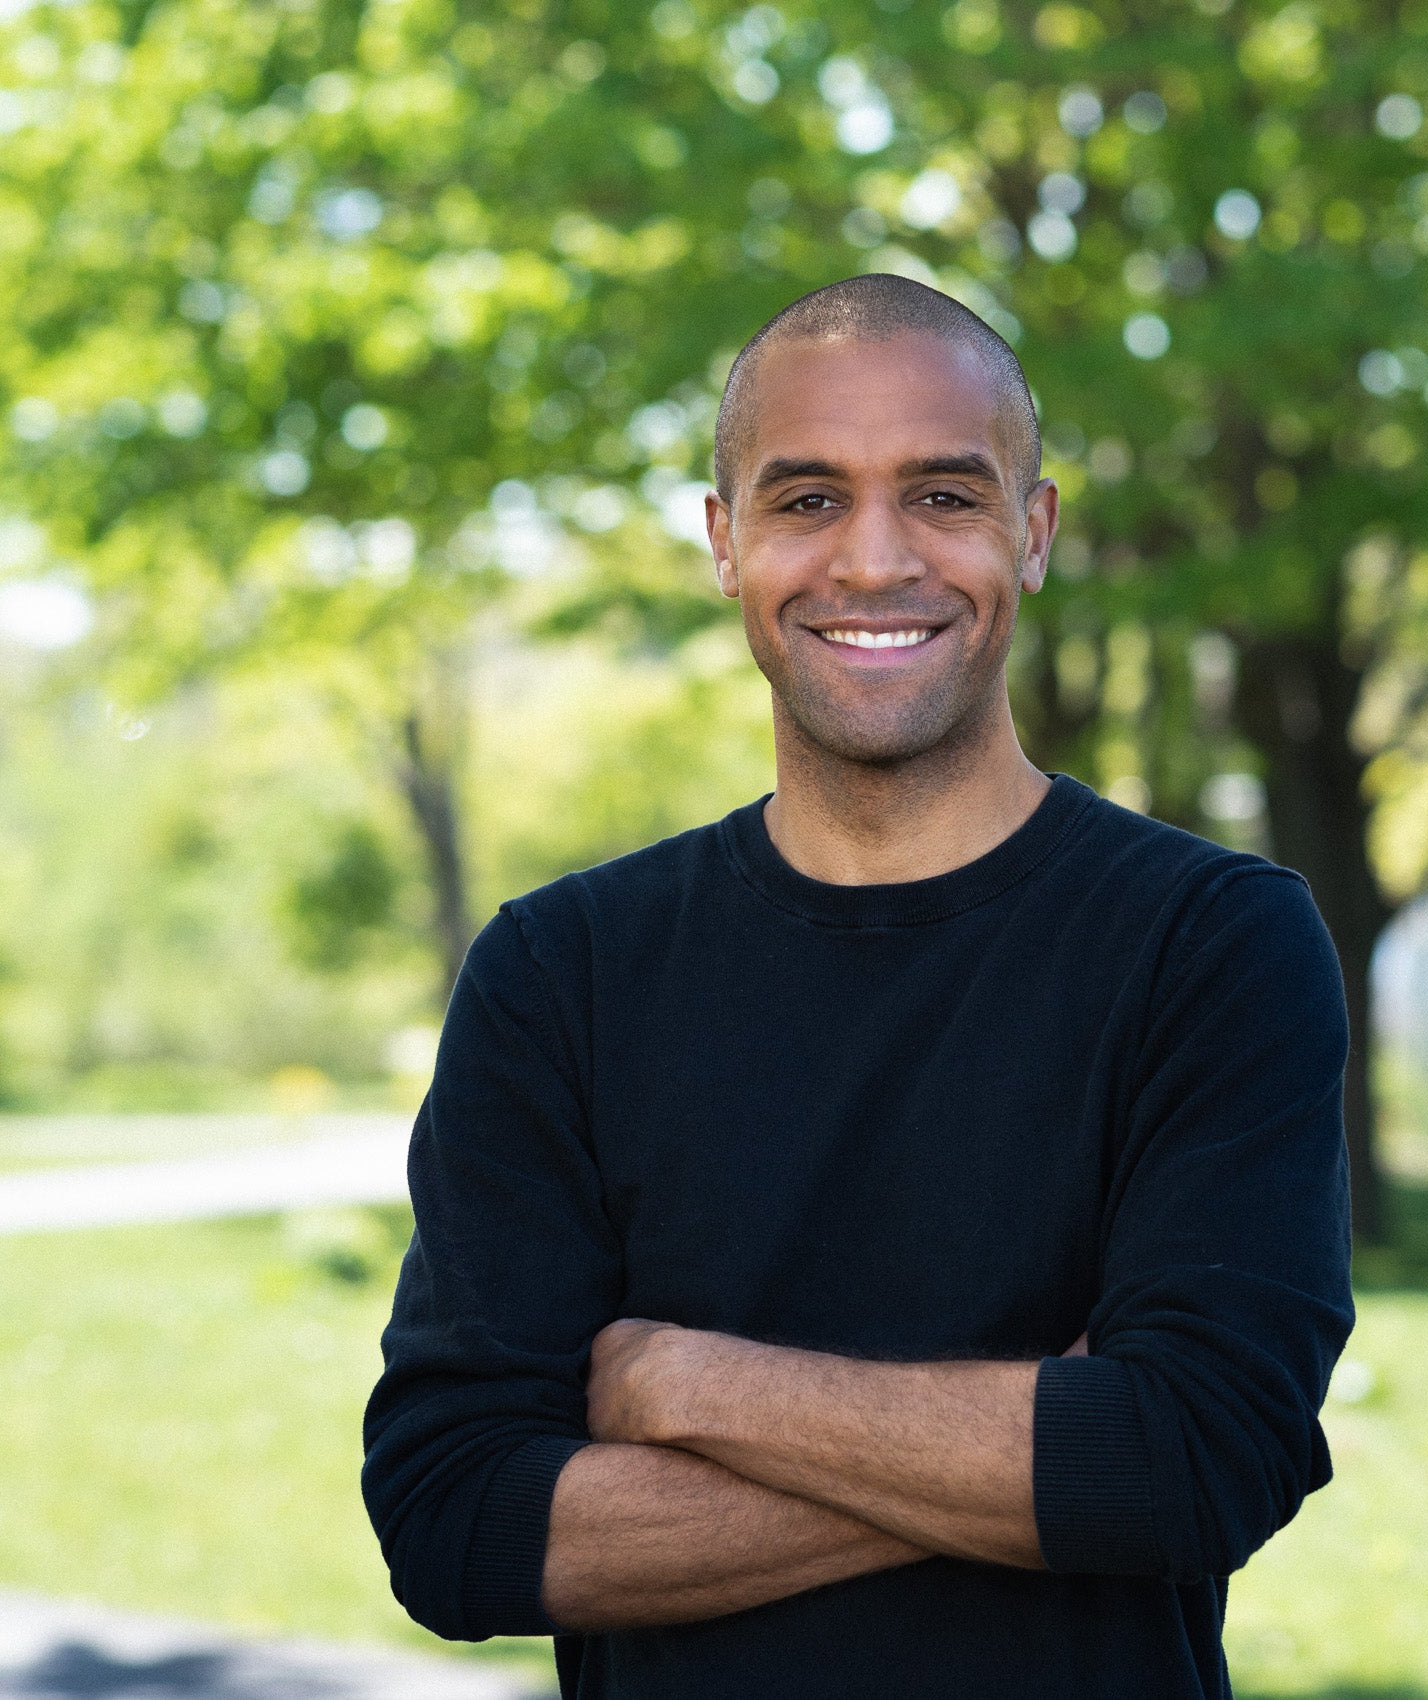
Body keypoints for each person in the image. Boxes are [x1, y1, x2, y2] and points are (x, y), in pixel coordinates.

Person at [360, 274, 1355, 1698]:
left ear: (1036, 529)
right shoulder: (562, 971)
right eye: (807, 499)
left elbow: (1198, 1461)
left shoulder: (1207, 942)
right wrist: (1039, 1452)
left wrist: (686, 1390)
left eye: (944, 497)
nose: (874, 561)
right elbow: (457, 1528)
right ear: (724, 542)